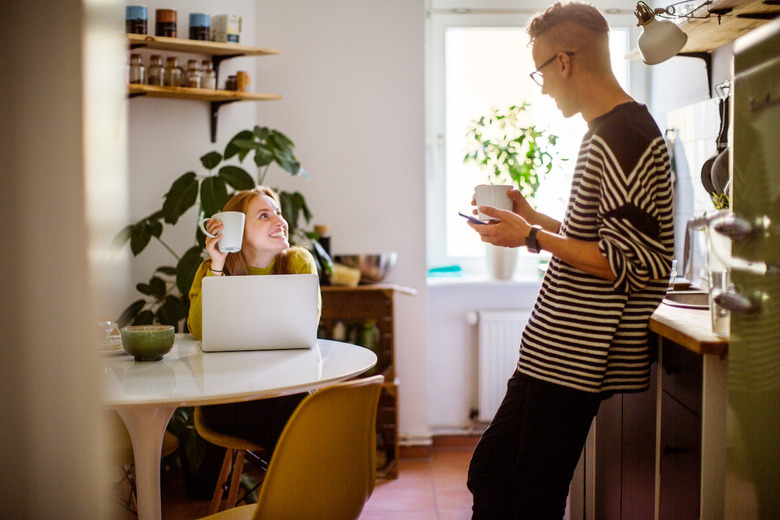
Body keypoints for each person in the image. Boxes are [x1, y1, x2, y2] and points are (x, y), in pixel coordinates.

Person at [464, 3, 675, 519]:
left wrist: (531, 236)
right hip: (555, 348)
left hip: (575, 353)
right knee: (494, 472)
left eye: (540, 71)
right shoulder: (608, 132)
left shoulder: (623, 136)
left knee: (528, 493)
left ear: (564, 62)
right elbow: (602, 239)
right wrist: (536, 220)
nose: (541, 87)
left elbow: (627, 261)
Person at [187, 185, 320, 454]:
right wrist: (217, 266)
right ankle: (296, 493)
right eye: (264, 216)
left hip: (285, 390)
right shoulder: (210, 270)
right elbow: (199, 330)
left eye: (278, 213)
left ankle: (288, 494)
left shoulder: (298, 263)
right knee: (299, 417)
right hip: (228, 396)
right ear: (238, 231)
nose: (280, 221)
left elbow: (306, 329)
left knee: (297, 409)